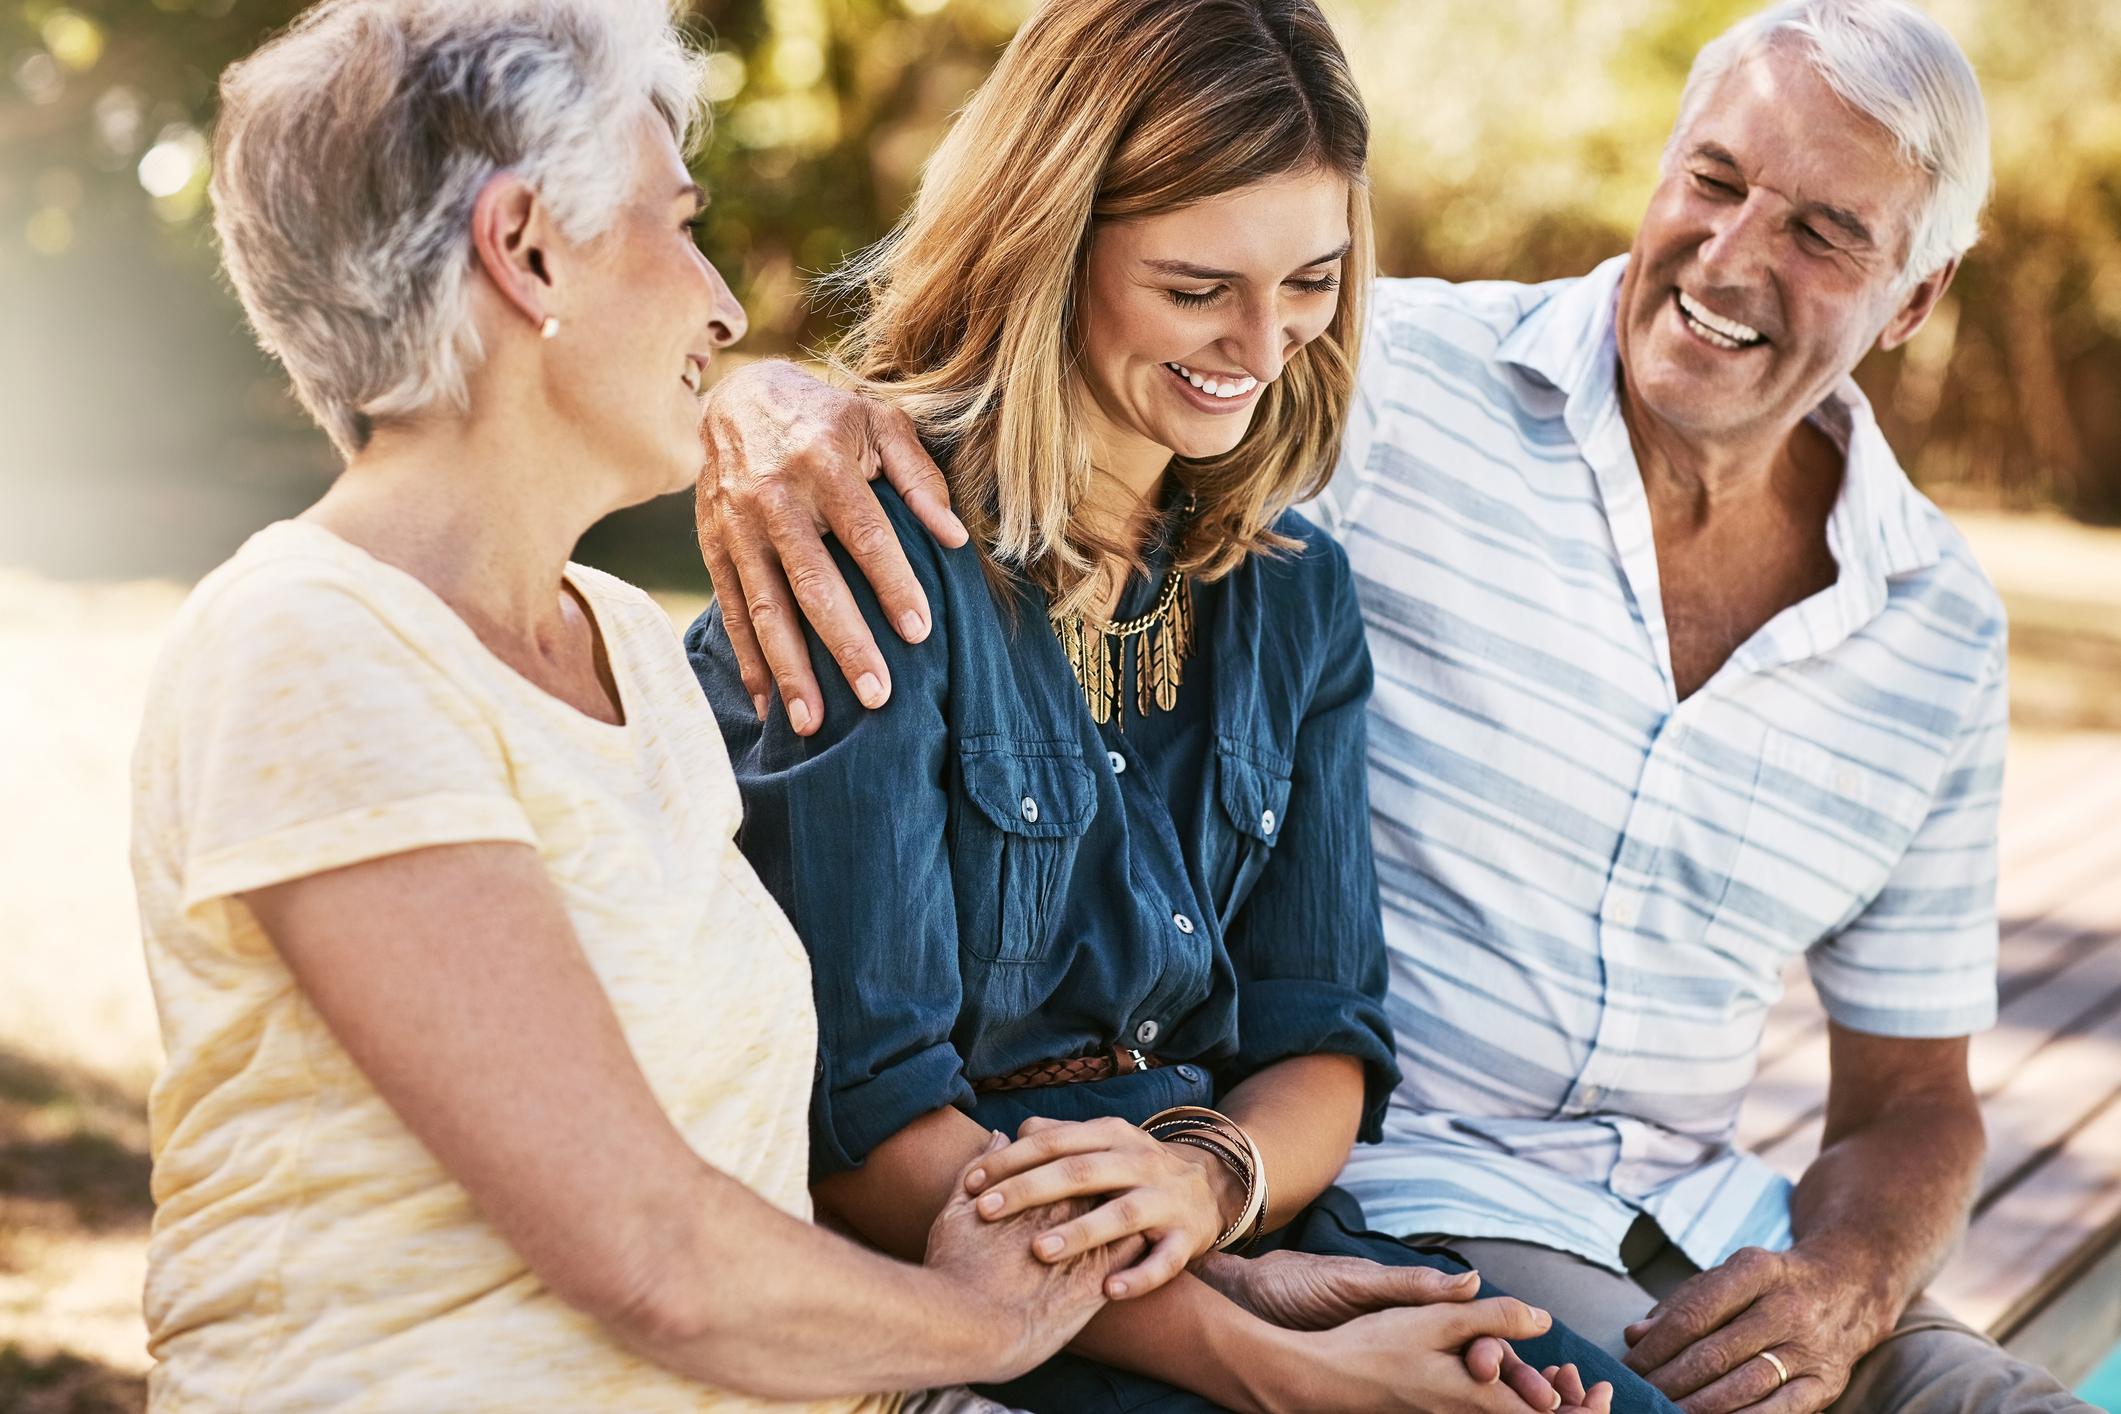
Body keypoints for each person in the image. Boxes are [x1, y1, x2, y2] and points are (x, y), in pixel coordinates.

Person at [684, 0, 2099, 1411]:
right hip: (1360, 1215)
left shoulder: (1289, 557)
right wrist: (762, 402)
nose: (1263, 342)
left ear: (1913, 298)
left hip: (1571, 1219)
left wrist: (1220, 1193)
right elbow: (869, 1119)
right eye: (1716, 182)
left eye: (1820, 231)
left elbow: (1322, 1026)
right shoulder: (1377, 400)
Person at [127, 2, 1145, 1409]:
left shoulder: (615, 635)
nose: (724, 304)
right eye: (681, 225)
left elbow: (740, 1167)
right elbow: (651, 1250)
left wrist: (1221, 1261)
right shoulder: (309, 644)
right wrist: (982, 1323)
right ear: (527, 246)